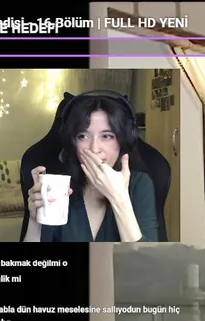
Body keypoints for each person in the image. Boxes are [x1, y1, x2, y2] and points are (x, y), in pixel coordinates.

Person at [23, 92, 159, 243]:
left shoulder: (140, 184)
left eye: (106, 136)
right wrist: (35, 221)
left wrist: (119, 198)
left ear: (123, 141)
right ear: (73, 143)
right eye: (83, 136)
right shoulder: (60, 187)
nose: (94, 149)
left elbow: (145, 258)